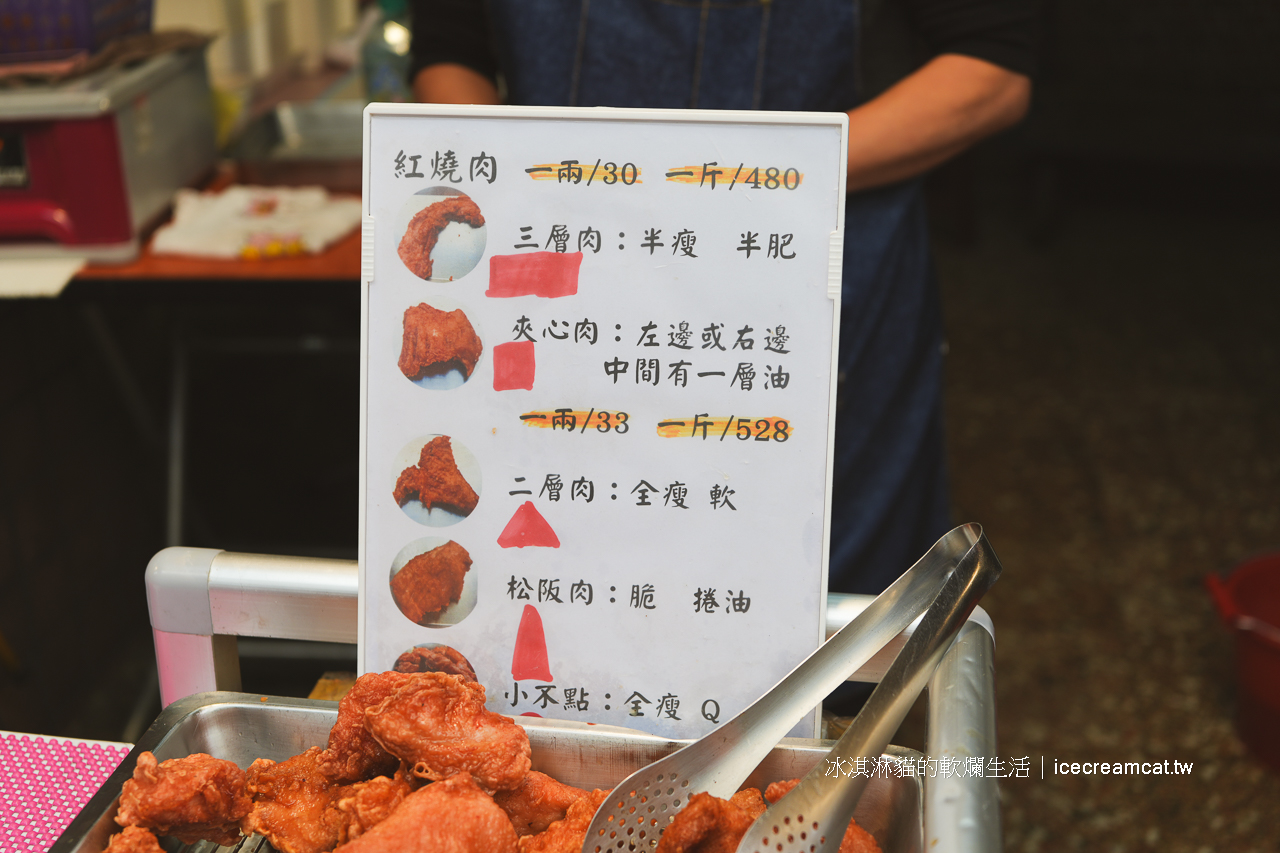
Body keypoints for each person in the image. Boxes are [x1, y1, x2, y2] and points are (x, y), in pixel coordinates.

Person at [406, 0, 1037, 597]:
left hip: (809, 282)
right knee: (571, 577)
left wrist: (720, 180)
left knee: (826, 629)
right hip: (565, 278)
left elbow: (993, 68)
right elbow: (450, 49)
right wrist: (525, 177)